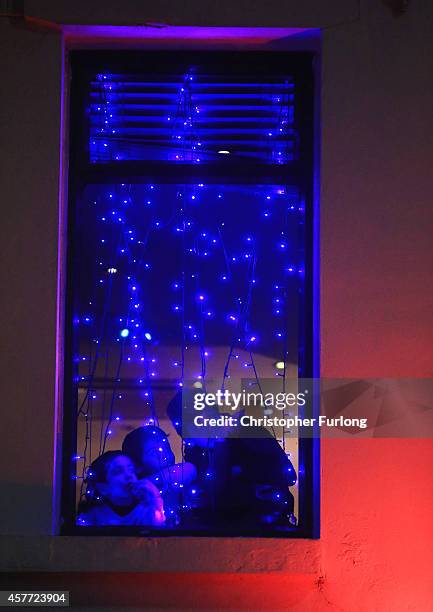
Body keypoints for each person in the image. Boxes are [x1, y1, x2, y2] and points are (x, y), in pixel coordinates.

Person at [167, 391, 297, 529]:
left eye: (182, 427)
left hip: (262, 532)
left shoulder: (248, 433)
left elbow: (287, 477)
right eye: (178, 428)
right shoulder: (196, 449)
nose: (182, 436)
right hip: (221, 532)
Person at [122, 426, 197, 522]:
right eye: (153, 452)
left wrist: (146, 483)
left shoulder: (178, 479)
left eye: (166, 448)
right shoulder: (136, 499)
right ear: (137, 465)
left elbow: (189, 469)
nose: (164, 455)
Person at [77, 451, 165, 527]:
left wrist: (155, 498)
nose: (128, 475)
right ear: (102, 488)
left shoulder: (145, 510)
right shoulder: (92, 516)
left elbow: (159, 537)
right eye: (118, 471)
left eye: (131, 470)